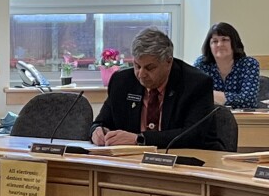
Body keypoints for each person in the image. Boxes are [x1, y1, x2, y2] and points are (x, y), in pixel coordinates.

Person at [91, 27, 223, 150]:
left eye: (150, 68)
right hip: (132, 162)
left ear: (168, 62)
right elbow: (101, 122)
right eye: (137, 65)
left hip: (185, 162)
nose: (141, 74)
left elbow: (193, 135)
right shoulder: (121, 82)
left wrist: (139, 139)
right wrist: (97, 131)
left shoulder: (196, 83)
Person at [192, 22, 260, 108]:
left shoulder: (249, 64)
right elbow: (194, 96)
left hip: (244, 120)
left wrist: (212, 95)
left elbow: (249, 101)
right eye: (215, 41)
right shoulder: (201, 64)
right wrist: (233, 98)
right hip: (210, 118)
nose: (219, 44)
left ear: (234, 43)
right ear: (209, 46)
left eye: (224, 40)